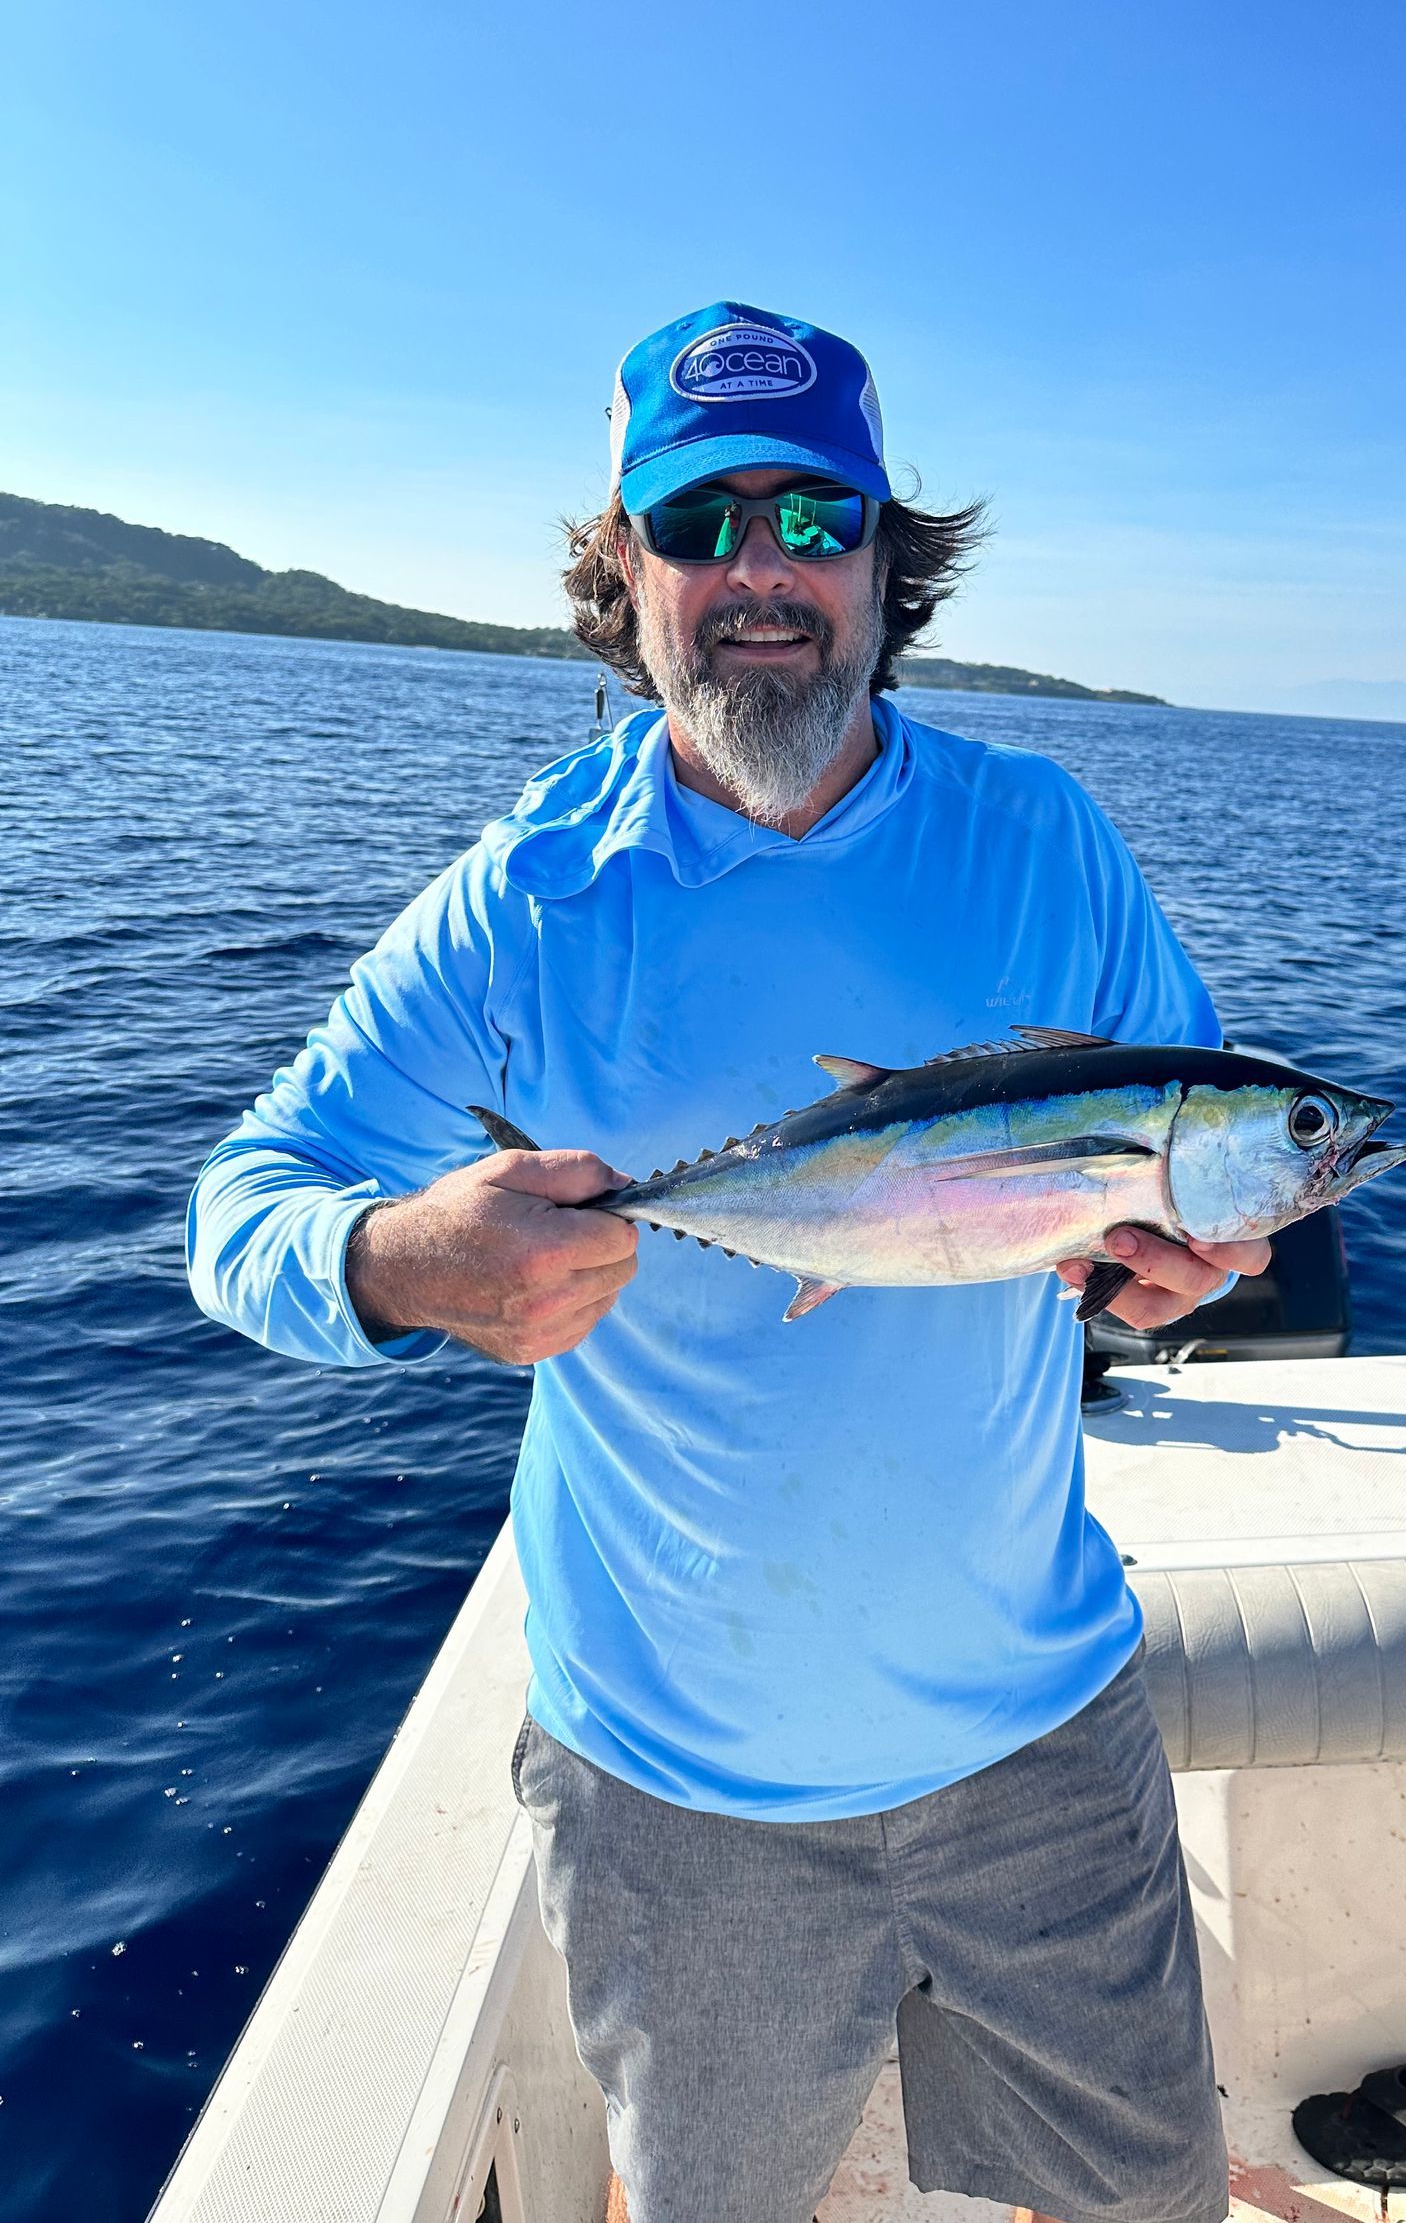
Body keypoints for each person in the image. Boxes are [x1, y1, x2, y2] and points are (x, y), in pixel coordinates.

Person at [188, 301, 1268, 2223]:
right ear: (624, 566)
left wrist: (1164, 1271)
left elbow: (1166, 1168)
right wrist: (396, 1258)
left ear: (885, 557)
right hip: (674, 1793)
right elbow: (240, 1206)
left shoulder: (1050, 844)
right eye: (699, 522)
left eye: (813, 516)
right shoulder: (525, 901)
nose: (760, 571)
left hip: (1041, 1739)